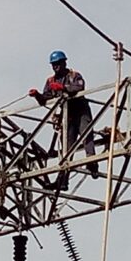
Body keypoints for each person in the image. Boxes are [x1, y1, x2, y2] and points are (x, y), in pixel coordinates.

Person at [28, 50, 98, 180]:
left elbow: (79, 88)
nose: (56, 67)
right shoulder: (50, 81)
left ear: (64, 63)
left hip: (81, 111)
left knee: (86, 135)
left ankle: (92, 164)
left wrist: (63, 88)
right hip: (68, 115)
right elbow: (46, 98)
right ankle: (64, 176)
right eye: (53, 64)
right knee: (67, 145)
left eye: (58, 64)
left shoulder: (74, 75)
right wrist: (37, 95)